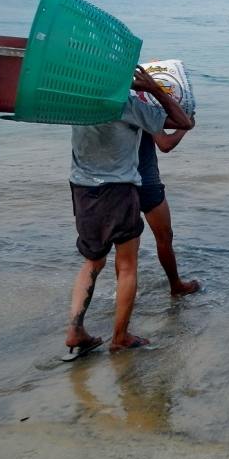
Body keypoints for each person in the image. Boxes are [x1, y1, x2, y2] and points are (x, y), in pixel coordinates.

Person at [63, 66, 195, 360]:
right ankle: (120, 337)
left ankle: (75, 329)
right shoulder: (128, 105)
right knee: (127, 266)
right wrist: (153, 90)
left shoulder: (75, 104)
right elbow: (182, 122)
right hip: (119, 190)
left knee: (92, 262)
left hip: (82, 189)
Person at [136, 127, 200, 297]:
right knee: (164, 237)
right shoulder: (141, 104)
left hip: (118, 181)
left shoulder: (108, 106)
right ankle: (176, 285)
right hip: (146, 180)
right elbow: (165, 144)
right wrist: (185, 126)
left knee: (125, 246)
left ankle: (124, 292)